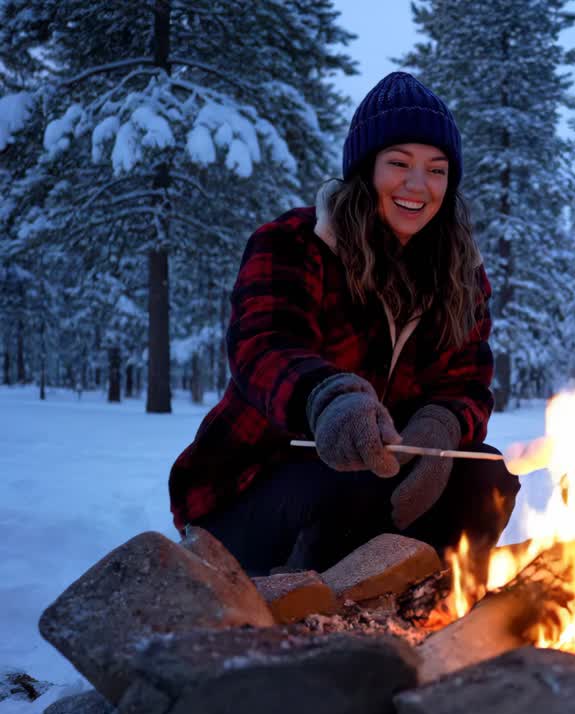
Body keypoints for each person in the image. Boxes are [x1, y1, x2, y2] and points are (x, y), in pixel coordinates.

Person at [169, 72, 518, 576]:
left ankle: (411, 612)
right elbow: (264, 346)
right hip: (254, 487)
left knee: (486, 480)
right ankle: (301, 627)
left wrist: (441, 430)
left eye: (437, 170)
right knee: (339, 486)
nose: (418, 186)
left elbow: (468, 381)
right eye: (399, 164)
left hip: (374, 483)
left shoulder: (460, 272)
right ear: (365, 168)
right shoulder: (294, 243)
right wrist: (328, 398)